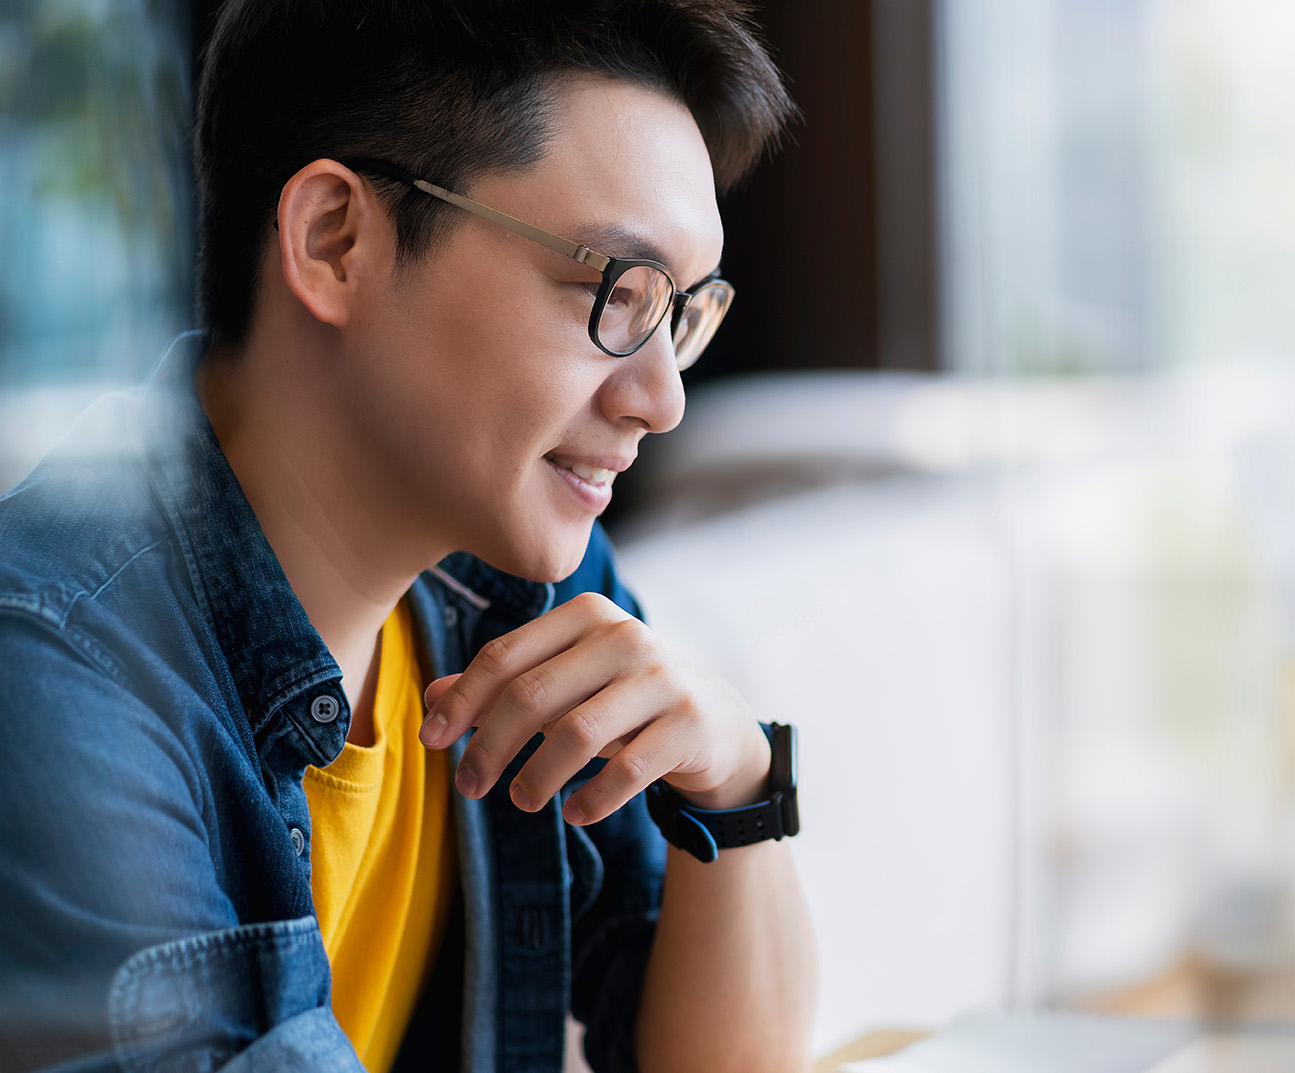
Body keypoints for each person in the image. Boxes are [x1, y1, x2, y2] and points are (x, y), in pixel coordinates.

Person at [0, 1, 816, 1070]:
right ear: (336, 240)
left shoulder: (511, 585)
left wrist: (739, 782)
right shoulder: (59, 681)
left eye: (683, 313)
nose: (661, 398)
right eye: (615, 290)